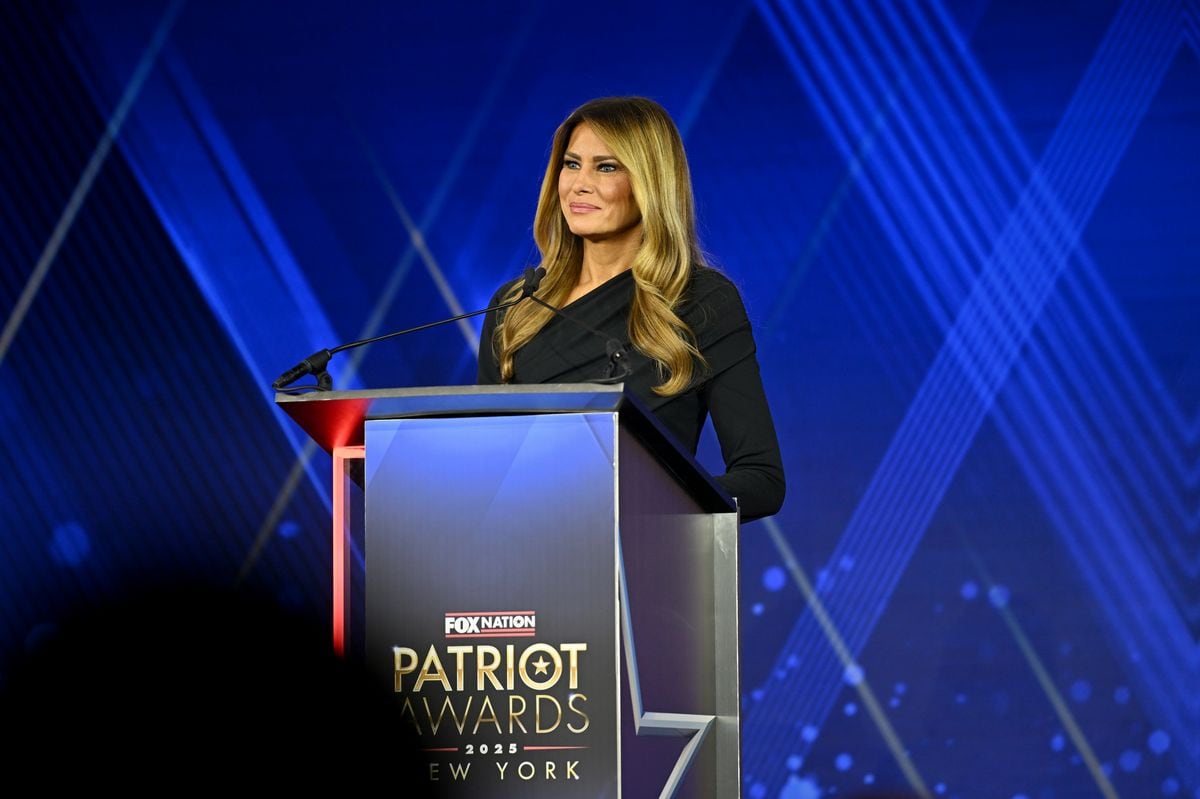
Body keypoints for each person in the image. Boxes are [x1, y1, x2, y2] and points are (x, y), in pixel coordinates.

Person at [477, 96, 785, 520]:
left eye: (606, 167)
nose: (579, 184)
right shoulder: (516, 306)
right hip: (521, 548)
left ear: (650, 183)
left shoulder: (700, 301)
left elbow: (761, 480)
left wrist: (650, 500)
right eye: (571, 164)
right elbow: (485, 467)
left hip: (640, 551)